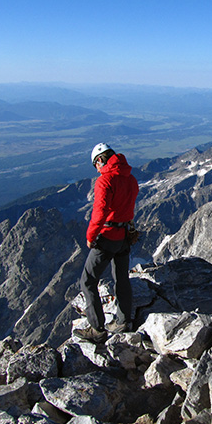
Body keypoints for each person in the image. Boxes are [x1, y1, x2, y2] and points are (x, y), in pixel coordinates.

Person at [74, 142, 139, 343]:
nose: (97, 169)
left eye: (96, 165)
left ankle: (97, 329)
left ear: (100, 160)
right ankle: (124, 321)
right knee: (121, 278)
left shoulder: (105, 181)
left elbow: (100, 212)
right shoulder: (130, 178)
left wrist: (91, 236)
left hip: (108, 236)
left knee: (88, 281)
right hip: (124, 235)